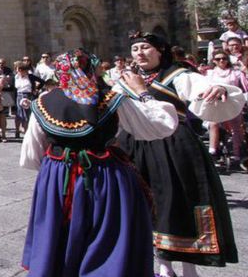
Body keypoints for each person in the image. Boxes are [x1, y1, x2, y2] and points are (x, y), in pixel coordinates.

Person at [20, 49, 179, 276]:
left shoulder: (43, 102)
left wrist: (55, 169)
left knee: (58, 235)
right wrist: (143, 93)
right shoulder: (112, 98)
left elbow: (31, 156)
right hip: (105, 177)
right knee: (108, 239)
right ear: (91, 69)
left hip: (57, 178)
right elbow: (161, 125)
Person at [117, 32, 244, 277]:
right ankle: (163, 266)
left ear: (160, 50)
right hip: (136, 147)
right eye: (135, 49)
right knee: (146, 204)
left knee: (180, 201)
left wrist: (216, 87)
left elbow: (201, 86)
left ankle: (189, 267)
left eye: (145, 48)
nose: (140, 53)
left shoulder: (178, 75)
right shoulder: (125, 80)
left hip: (173, 146)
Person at [206, 50, 248, 168]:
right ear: (214, 61)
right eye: (218, 59)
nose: (221, 61)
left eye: (224, 58)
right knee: (213, 124)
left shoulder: (236, 73)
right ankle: (213, 151)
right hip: (216, 103)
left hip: (232, 102)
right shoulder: (210, 74)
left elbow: (244, 88)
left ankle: (237, 152)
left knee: (236, 126)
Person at [13, 63, 42, 139]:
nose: (19, 71)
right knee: (18, 114)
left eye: (21, 70)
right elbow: (14, 88)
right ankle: (17, 131)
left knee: (26, 115)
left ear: (26, 70)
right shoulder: (16, 77)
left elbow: (42, 81)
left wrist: (36, 89)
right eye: (18, 70)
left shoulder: (30, 77)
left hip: (28, 96)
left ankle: (26, 133)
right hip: (18, 96)